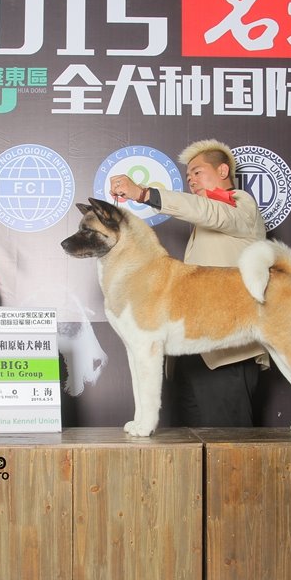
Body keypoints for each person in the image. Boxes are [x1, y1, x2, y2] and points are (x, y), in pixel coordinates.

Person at [109, 139, 268, 427]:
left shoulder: (240, 205)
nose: (191, 180)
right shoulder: (205, 220)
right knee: (190, 443)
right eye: (188, 175)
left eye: (197, 172)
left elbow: (205, 210)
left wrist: (144, 194)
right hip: (191, 352)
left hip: (227, 350)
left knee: (229, 442)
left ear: (222, 170)